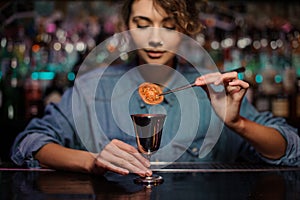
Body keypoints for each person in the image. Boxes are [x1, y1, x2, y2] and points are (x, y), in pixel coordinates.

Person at [11, 0, 299, 178]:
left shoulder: (211, 90)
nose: (156, 39)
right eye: (143, 24)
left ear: (185, 31)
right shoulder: (92, 88)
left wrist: (237, 123)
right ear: (126, 28)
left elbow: (291, 148)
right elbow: (29, 143)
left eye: (169, 26)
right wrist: (91, 162)